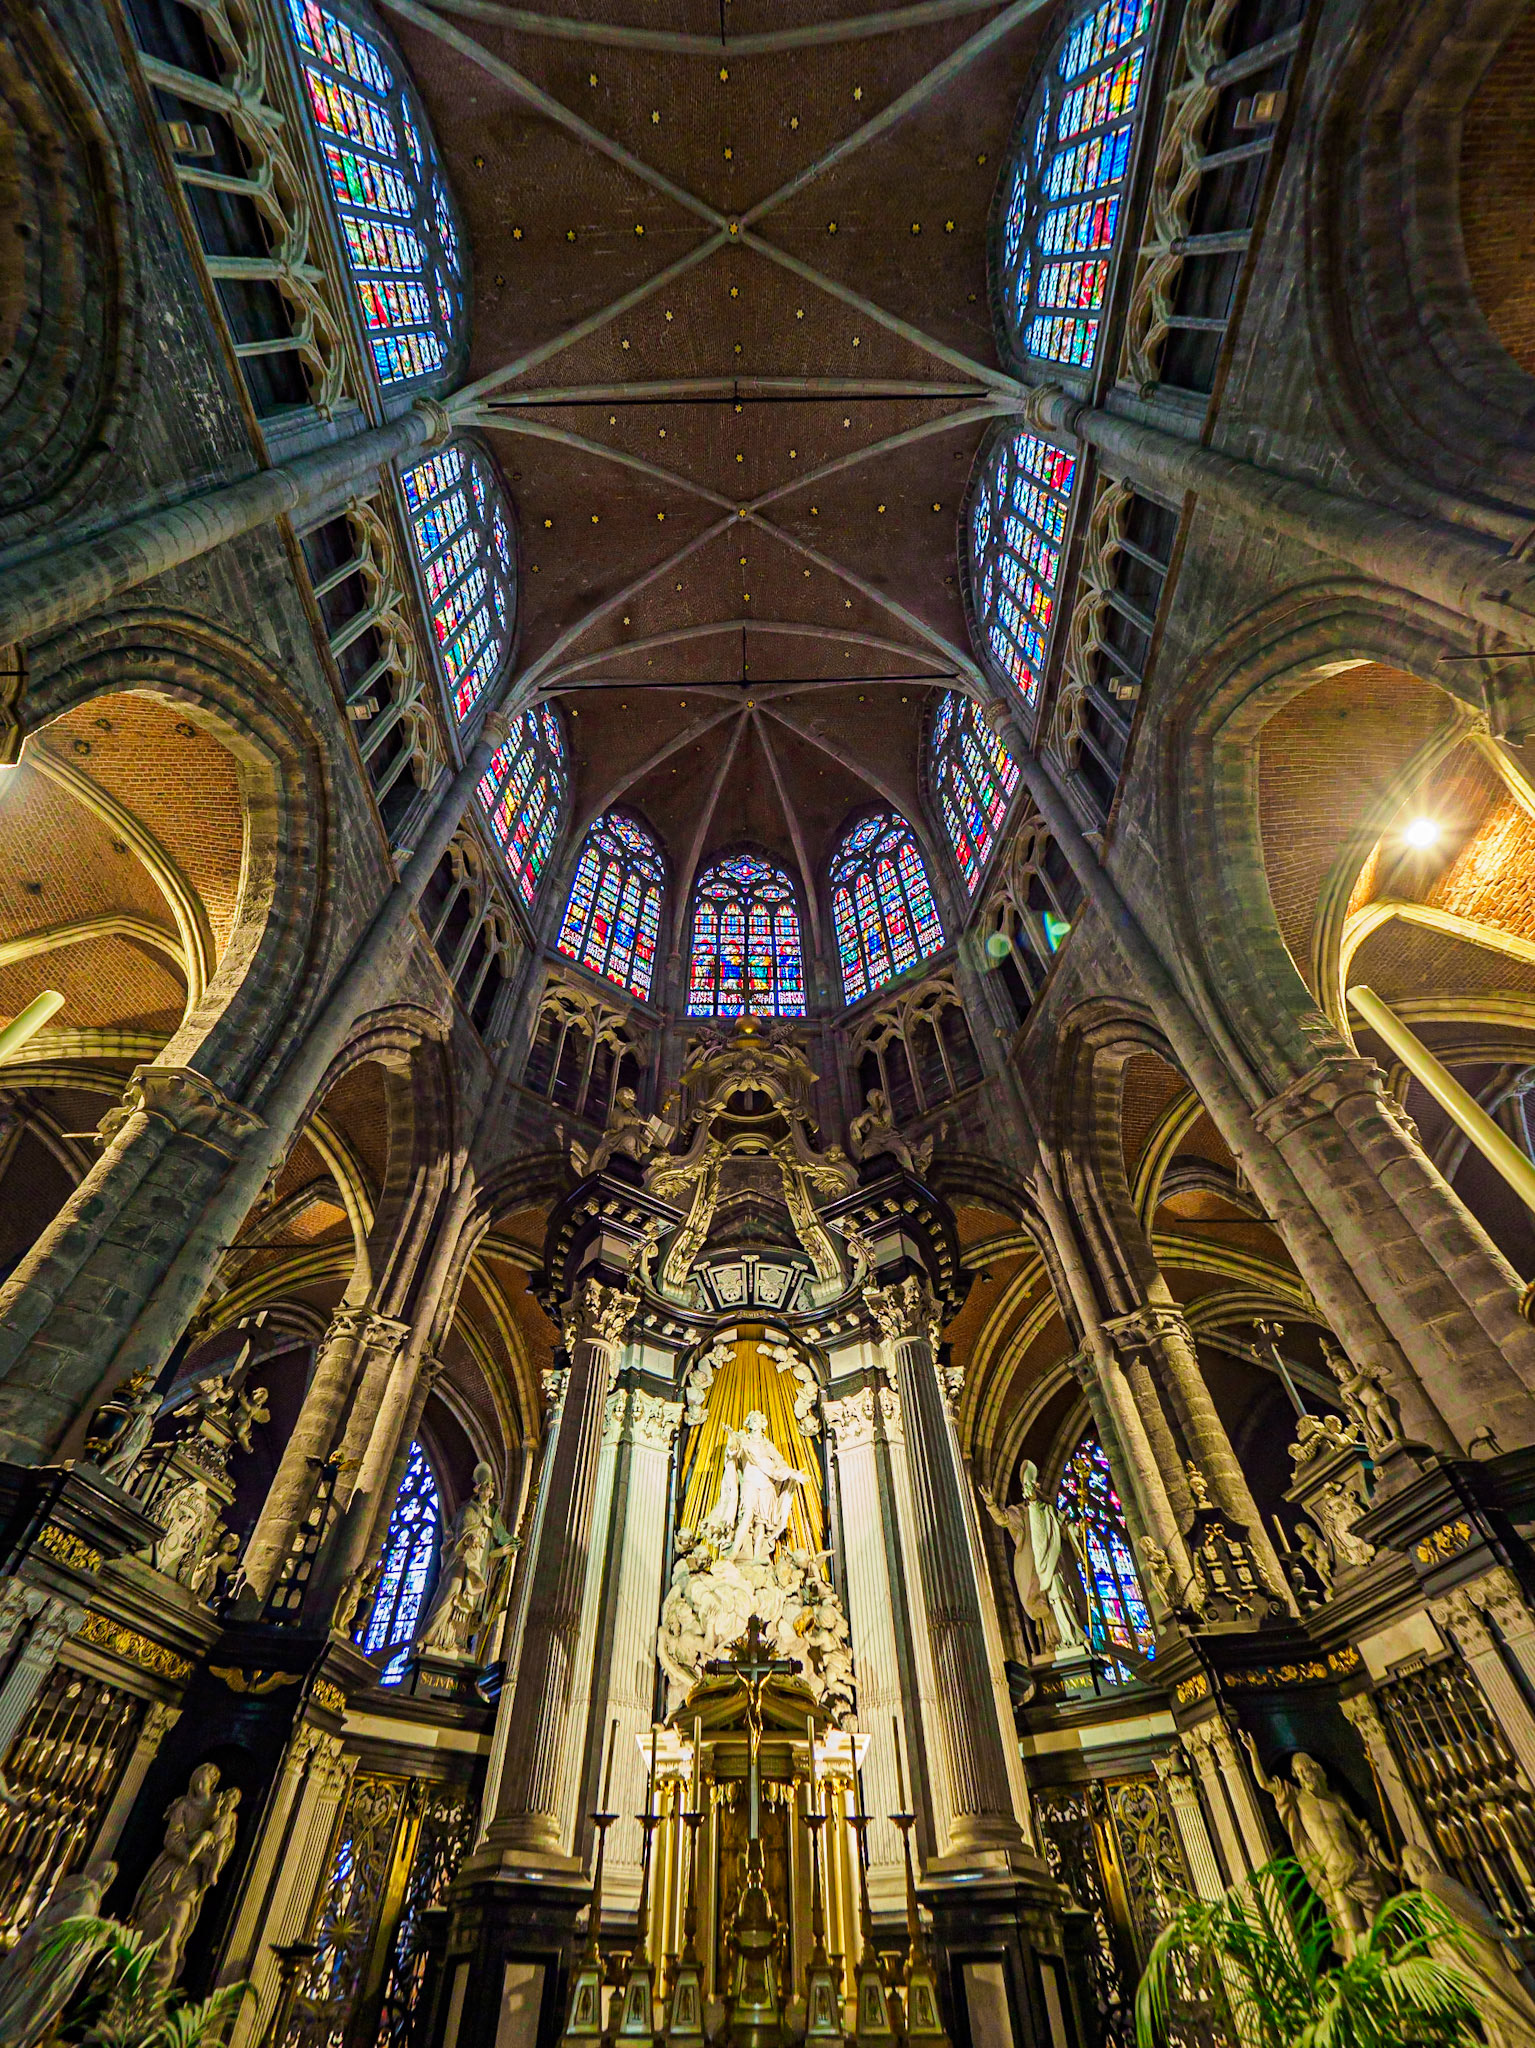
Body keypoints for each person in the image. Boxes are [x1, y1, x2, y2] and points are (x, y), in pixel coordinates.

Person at [704, 1411, 809, 1561]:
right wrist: (731, 1437)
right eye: (751, 1419)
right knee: (747, 1515)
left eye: (757, 1419)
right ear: (748, 1423)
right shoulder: (744, 1441)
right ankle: (733, 1553)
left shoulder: (769, 1446)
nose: (754, 1421)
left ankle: (757, 1558)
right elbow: (733, 1452)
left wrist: (794, 1474)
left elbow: (780, 1464)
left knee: (761, 1524)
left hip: (767, 1487)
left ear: (763, 1424)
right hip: (750, 1483)